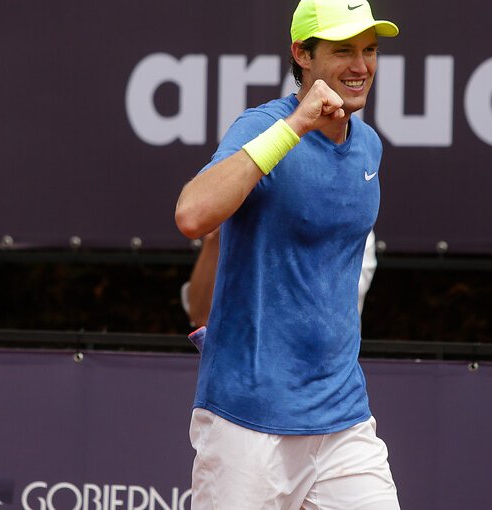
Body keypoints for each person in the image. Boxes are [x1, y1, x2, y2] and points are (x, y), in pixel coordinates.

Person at [173, 0, 400, 507]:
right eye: (343, 51)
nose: (361, 66)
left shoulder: (369, 147)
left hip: (343, 419)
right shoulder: (264, 126)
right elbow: (192, 214)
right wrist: (296, 126)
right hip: (247, 422)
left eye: (369, 51)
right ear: (302, 54)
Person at [181, 229, 378, 329]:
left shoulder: (351, 217)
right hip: (237, 393)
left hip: (322, 392)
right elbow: (201, 315)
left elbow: (320, 310)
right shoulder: (243, 213)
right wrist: (216, 237)